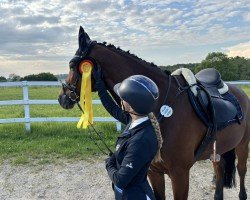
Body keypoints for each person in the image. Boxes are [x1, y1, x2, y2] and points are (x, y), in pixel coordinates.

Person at [93, 65, 163, 200]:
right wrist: (100, 86)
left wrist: (109, 162)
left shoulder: (141, 140)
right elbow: (112, 108)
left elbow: (120, 180)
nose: (120, 100)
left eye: (122, 97)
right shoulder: (134, 120)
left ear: (130, 105)